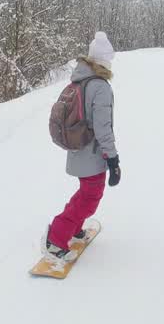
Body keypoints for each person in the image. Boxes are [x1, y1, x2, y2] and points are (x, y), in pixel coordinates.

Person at [45, 32, 121, 260]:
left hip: (78, 148)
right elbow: (103, 127)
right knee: (90, 198)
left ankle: (73, 228)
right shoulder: (100, 87)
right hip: (92, 153)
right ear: (104, 61)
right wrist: (113, 158)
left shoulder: (79, 79)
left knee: (85, 193)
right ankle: (56, 238)